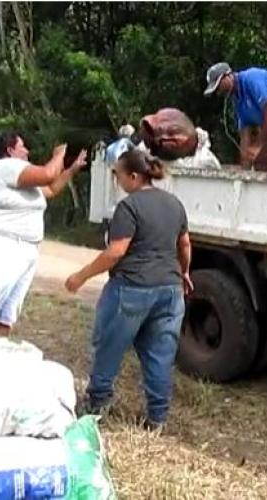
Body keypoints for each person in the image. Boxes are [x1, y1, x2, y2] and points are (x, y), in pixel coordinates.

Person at [65, 148, 192, 430]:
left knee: (109, 346)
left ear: (133, 176)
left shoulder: (129, 206)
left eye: (118, 175)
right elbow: (184, 244)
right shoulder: (174, 203)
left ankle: (97, 405)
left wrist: (81, 276)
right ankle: (157, 418)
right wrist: (183, 272)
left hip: (132, 288)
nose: (118, 181)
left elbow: (116, 252)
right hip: (170, 291)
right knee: (159, 355)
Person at [0, 131, 88, 336]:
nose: (27, 151)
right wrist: (59, 154)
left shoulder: (20, 179)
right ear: (9, 150)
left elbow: (50, 189)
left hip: (22, 250)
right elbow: (48, 174)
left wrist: (72, 169)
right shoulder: (4, 166)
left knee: (4, 316)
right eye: (22, 146)